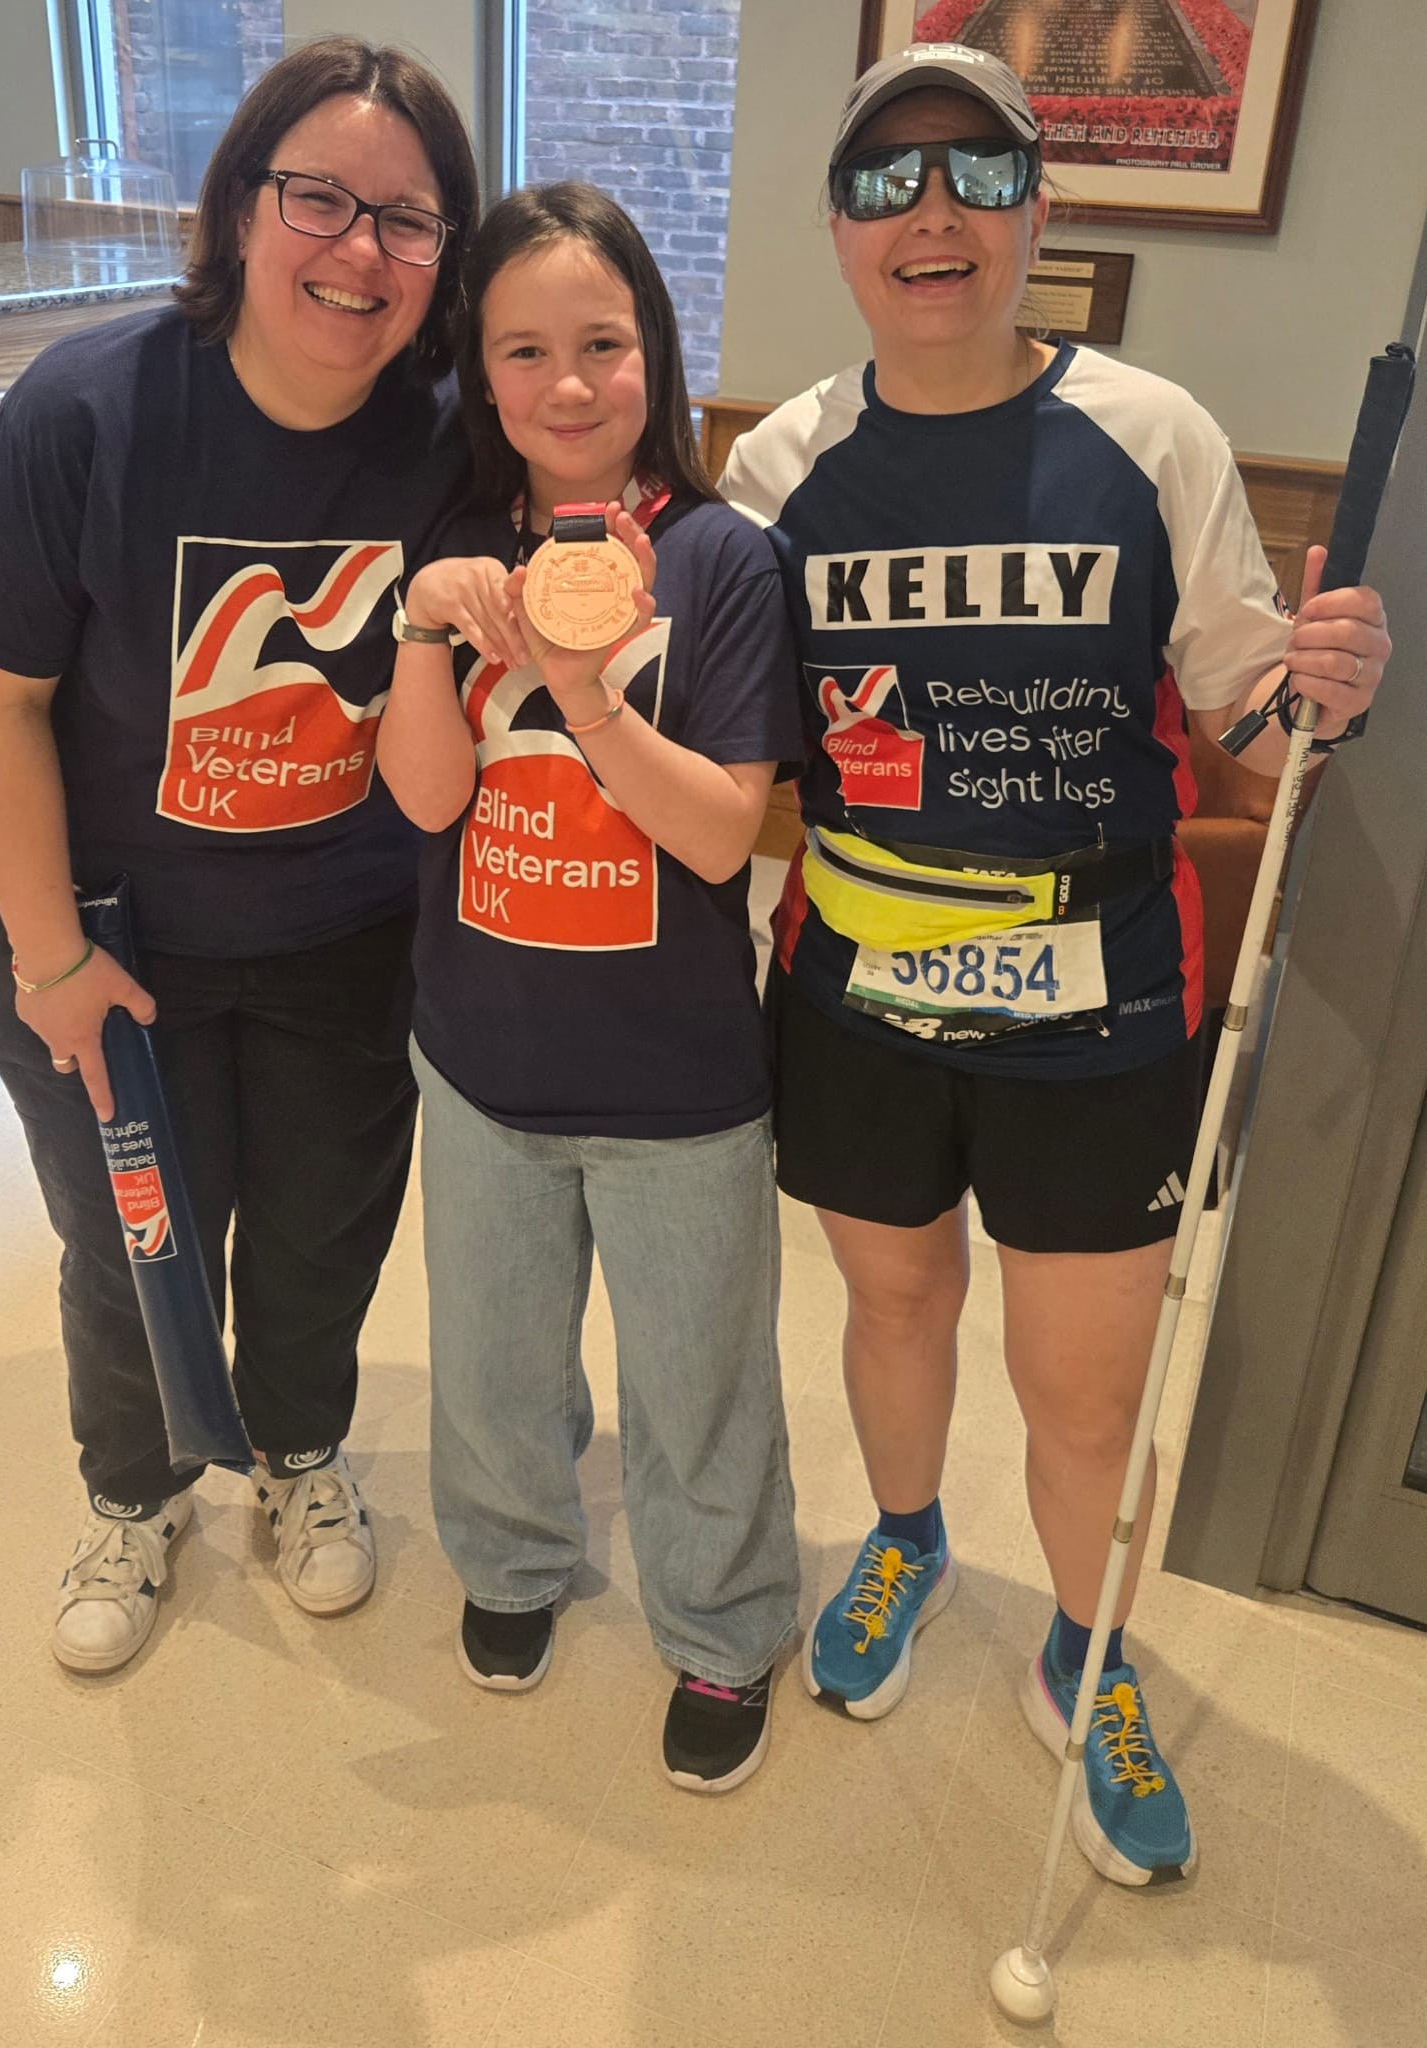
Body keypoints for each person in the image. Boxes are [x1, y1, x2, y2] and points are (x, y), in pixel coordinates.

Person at [724, 42, 1392, 1880]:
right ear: (842, 231)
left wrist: (1319, 687)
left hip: (1097, 1000)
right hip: (858, 983)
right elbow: (736, 737)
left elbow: (1251, 728)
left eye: (971, 173)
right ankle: (908, 1539)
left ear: (1040, 208)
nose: (926, 214)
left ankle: (1086, 1656)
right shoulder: (782, 461)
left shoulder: (1151, 434)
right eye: (881, 183)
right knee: (890, 1306)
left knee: (1083, 1385)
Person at [0, 38, 479, 1674]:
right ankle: (136, 1487)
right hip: (109, 948)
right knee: (126, 1243)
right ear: (240, 208)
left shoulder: (448, 439)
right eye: (319, 198)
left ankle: (301, 1459)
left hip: (348, 941)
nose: (358, 249)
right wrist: (49, 964)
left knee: (319, 1229)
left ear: (440, 259)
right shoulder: (89, 408)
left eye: (408, 220)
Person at [375, 182, 803, 1793]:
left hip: (680, 1083)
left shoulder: (723, 563)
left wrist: (579, 691)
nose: (569, 384)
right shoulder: (456, 556)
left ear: (655, 351)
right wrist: (428, 630)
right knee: (489, 1357)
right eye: (526, 350)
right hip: (480, 1060)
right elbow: (424, 801)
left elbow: (716, 838)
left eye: (603, 343)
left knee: (698, 1380)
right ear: (480, 378)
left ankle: (720, 1617)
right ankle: (510, 1561)